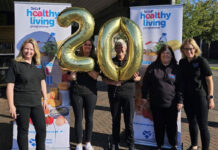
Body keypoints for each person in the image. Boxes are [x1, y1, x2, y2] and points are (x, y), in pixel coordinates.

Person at [5, 38, 48, 150]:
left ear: (35, 51)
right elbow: (10, 86)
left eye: (31, 49)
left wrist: (46, 98)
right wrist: (11, 106)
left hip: (36, 103)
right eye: (26, 49)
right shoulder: (15, 64)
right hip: (21, 103)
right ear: (22, 50)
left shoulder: (38, 64)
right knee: (23, 131)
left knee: (42, 129)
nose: (28, 51)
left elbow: (42, 81)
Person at [141, 44, 183, 150]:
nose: (166, 54)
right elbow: (145, 83)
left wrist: (180, 101)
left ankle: (173, 145)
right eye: (163, 53)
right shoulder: (153, 68)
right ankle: (159, 145)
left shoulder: (176, 69)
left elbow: (180, 87)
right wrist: (144, 97)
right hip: (156, 103)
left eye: (168, 53)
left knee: (172, 126)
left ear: (172, 55)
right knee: (158, 126)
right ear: (160, 55)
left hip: (172, 104)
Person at [102, 39, 141, 150]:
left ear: (126, 48)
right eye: (118, 47)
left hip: (129, 94)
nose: (120, 49)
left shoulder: (132, 62)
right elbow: (104, 79)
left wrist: (136, 78)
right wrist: (114, 82)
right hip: (114, 95)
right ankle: (115, 142)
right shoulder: (110, 62)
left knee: (129, 121)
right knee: (115, 120)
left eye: (122, 46)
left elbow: (139, 78)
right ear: (115, 49)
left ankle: (131, 144)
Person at [179, 38, 215, 150]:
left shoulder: (201, 61)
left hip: (201, 97)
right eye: (186, 49)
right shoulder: (182, 62)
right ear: (183, 50)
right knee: (191, 123)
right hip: (188, 98)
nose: (188, 51)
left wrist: (211, 97)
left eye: (191, 48)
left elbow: (209, 80)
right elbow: (182, 81)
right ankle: (194, 145)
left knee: (203, 126)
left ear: (195, 49)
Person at [68, 40, 100, 150]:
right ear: (81, 46)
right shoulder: (74, 58)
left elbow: (95, 76)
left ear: (92, 47)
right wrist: (73, 73)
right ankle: (78, 144)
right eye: (85, 44)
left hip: (91, 93)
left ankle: (88, 143)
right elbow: (70, 77)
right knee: (78, 118)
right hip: (77, 92)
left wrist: (84, 67)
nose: (87, 46)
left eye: (89, 45)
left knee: (89, 118)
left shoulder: (95, 60)